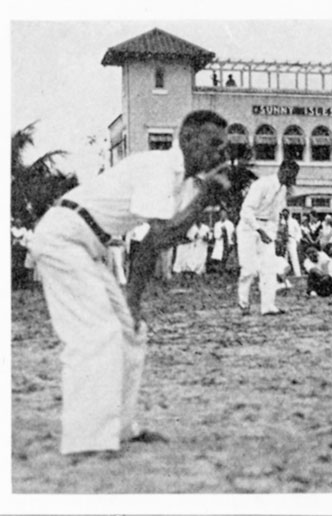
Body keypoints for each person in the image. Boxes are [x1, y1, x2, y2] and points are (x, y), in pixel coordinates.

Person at [27, 110, 233, 455]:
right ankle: (86, 439)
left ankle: (121, 428)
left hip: (90, 244)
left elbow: (153, 243)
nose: (219, 155)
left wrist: (133, 301)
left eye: (223, 148)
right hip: (63, 235)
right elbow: (163, 231)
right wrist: (205, 196)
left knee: (130, 331)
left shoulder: (184, 184)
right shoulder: (159, 167)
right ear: (188, 140)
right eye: (213, 145)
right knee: (95, 333)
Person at [236, 159, 299, 315]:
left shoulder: (283, 190)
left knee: (269, 268)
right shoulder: (262, 184)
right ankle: (244, 303)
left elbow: (276, 215)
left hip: (266, 228)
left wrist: (274, 234)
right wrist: (259, 230)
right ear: (284, 171)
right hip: (248, 228)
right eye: (292, 176)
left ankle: (268, 306)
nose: (293, 180)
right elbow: (246, 211)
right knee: (249, 269)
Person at [209, 209, 235, 274]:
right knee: (219, 257)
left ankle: (227, 270)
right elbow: (215, 235)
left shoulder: (230, 224)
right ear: (219, 215)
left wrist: (230, 241)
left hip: (228, 243)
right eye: (221, 214)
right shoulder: (217, 224)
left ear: (226, 215)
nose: (223, 216)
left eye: (224, 214)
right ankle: (220, 271)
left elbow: (232, 234)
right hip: (220, 242)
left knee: (227, 257)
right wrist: (221, 235)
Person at [280, 208, 302, 277]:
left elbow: (298, 231)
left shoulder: (293, 221)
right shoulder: (281, 222)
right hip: (283, 240)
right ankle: (284, 273)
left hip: (291, 239)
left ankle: (297, 274)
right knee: (284, 257)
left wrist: (297, 240)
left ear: (288, 214)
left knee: (294, 256)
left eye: (286, 213)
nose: (284, 215)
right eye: (283, 214)